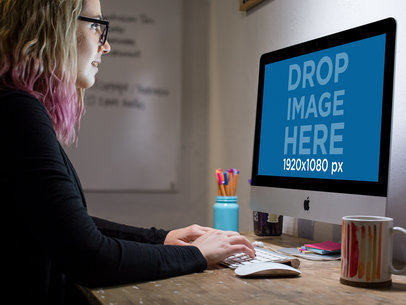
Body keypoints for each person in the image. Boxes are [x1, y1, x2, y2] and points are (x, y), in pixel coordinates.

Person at [0, 0, 255, 304]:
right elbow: (88, 256)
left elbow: (66, 225)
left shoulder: (14, 105)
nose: (105, 47)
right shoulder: (18, 111)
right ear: (54, 26)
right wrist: (197, 254)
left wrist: (161, 238)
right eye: (96, 26)